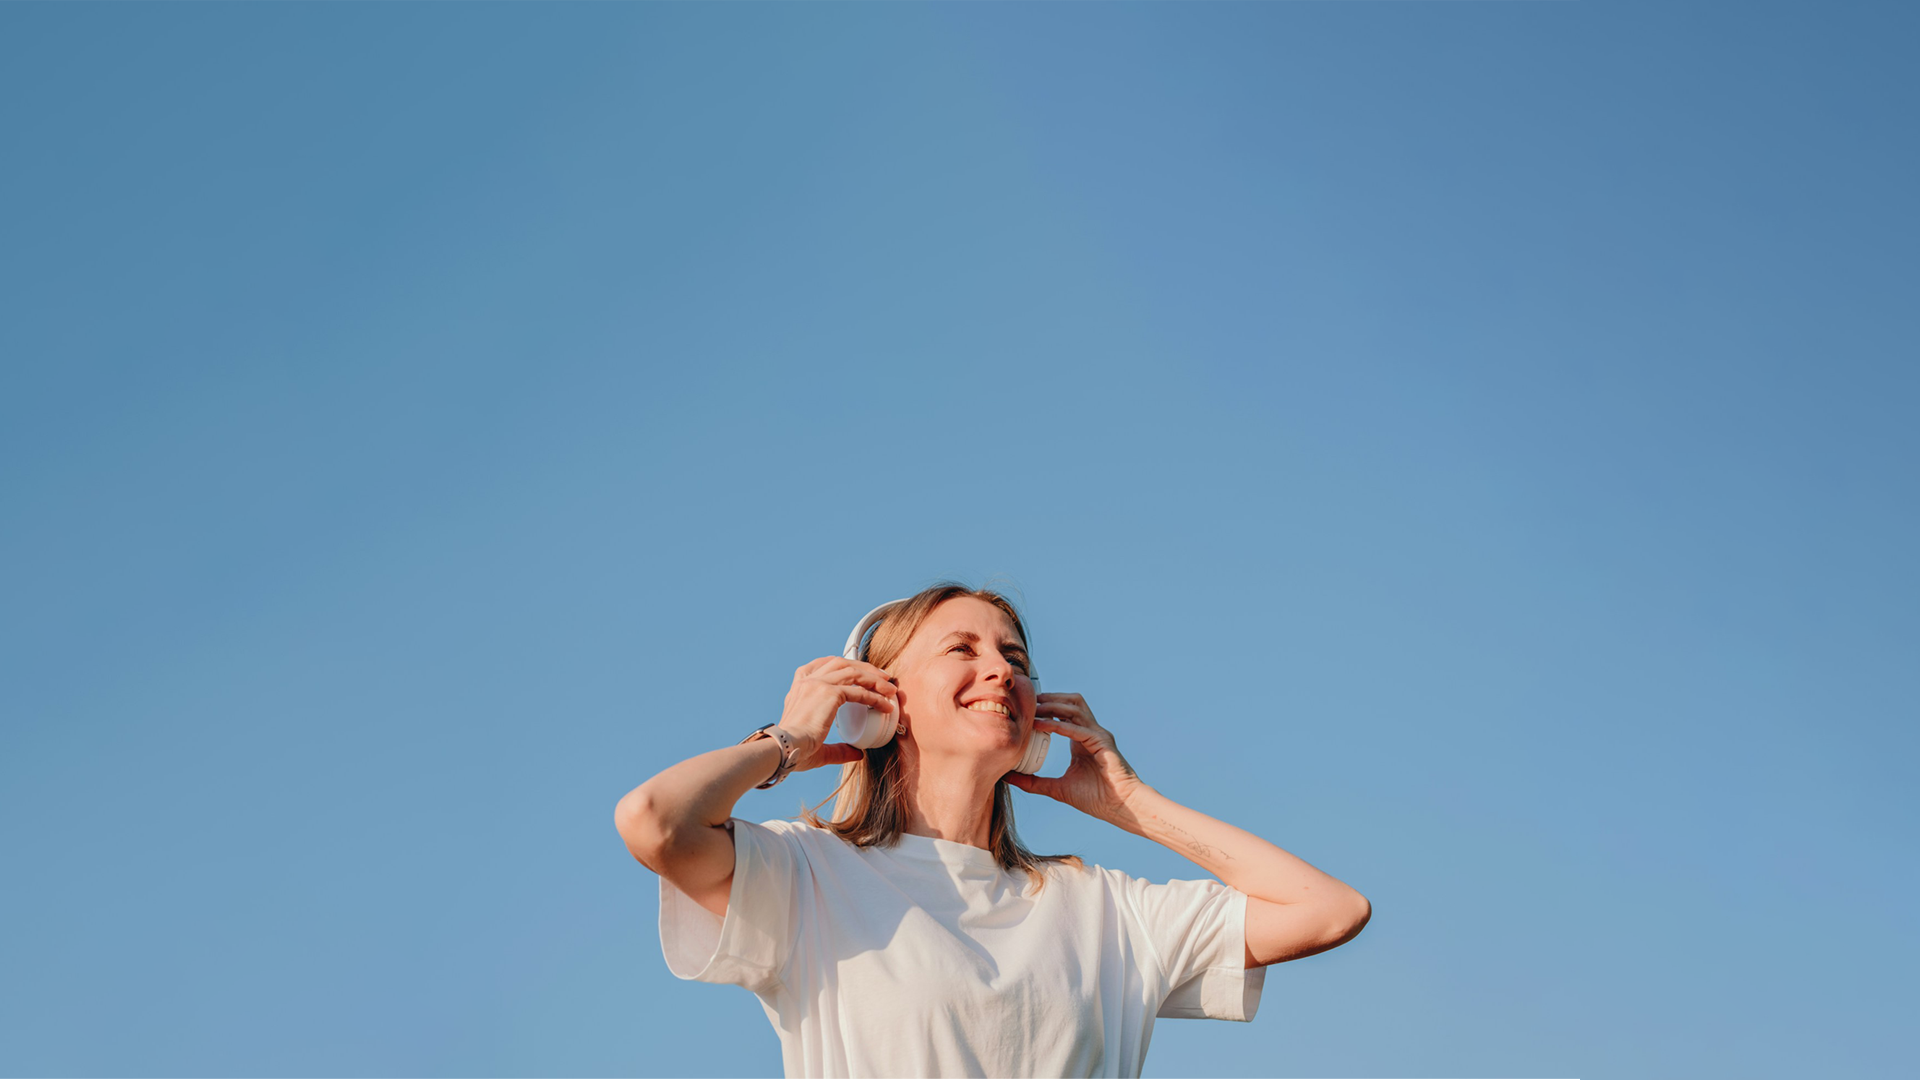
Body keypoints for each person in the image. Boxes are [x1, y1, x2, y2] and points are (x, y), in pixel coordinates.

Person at [615, 583, 1370, 1079]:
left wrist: (1128, 802)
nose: (1001, 672)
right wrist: (788, 742)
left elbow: (1328, 910)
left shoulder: (1102, 909)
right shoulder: (808, 876)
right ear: (880, 700)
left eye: (1015, 656)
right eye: (962, 650)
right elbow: (654, 822)